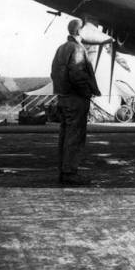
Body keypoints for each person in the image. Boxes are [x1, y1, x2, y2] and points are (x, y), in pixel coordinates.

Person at [50, 18, 101, 185]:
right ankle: (70, 173)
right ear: (79, 32)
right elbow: (77, 75)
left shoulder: (61, 48)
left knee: (65, 136)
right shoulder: (77, 49)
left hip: (63, 97)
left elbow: (53, 74)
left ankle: (63, 171)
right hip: (76, 99)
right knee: (75, 137)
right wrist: (87, 93)